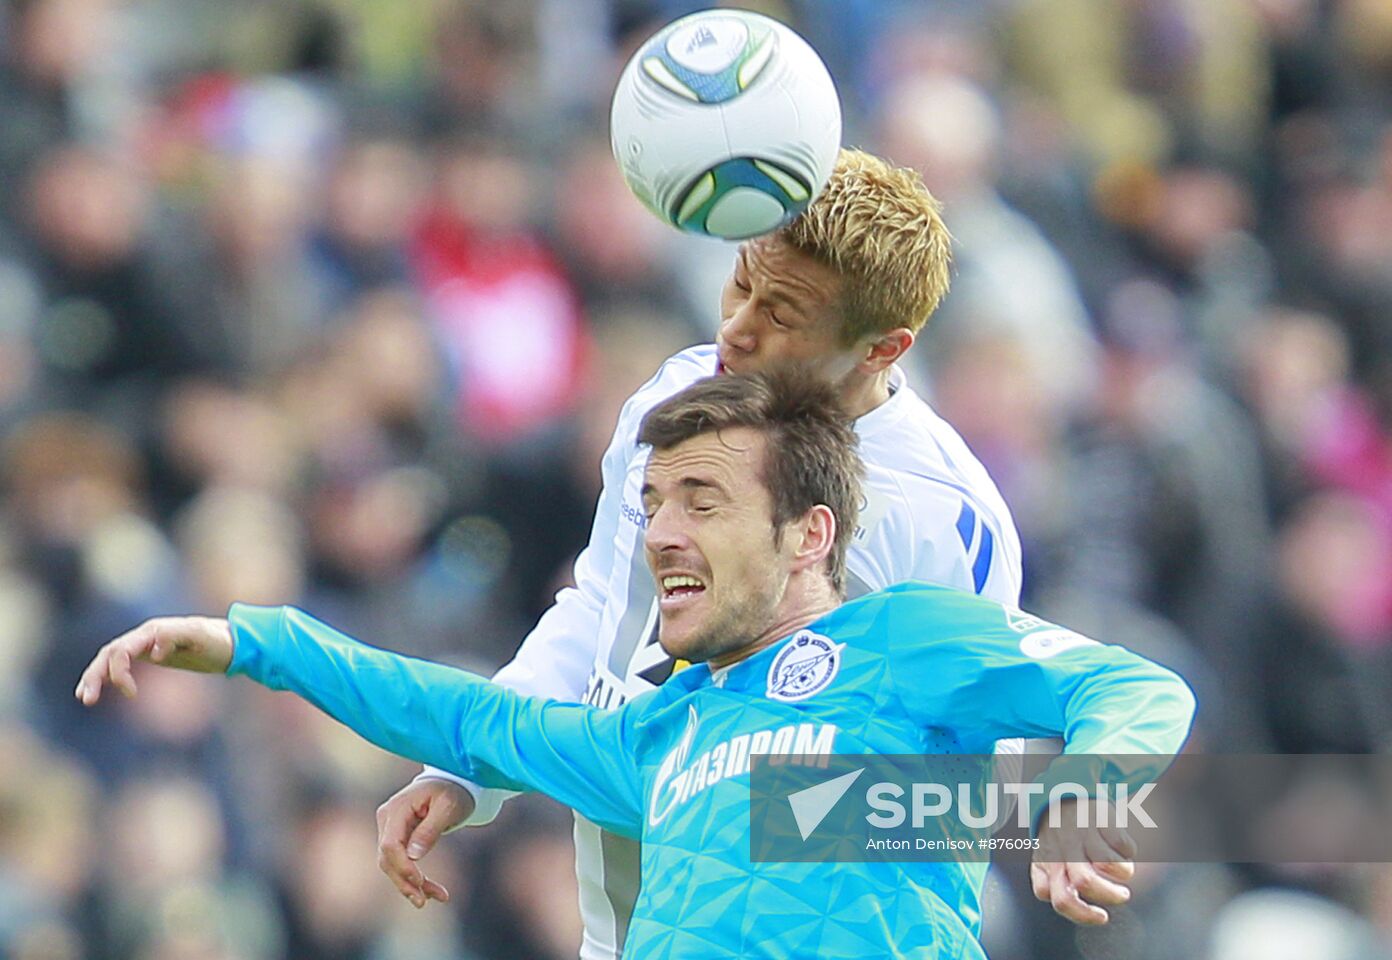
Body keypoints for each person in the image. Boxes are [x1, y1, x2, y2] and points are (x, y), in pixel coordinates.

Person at [76, 369, 1196, 959]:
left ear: (807, 535)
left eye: (699, 501)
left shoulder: (902, 640)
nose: (658, 533)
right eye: (652, 504)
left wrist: (1083, 795)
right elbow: (471, 724)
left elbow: (1134, 688)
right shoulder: (659, 736)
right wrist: (258, 644)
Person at [376, 148, 1030, 959]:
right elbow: (602, 614)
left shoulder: (945, 520)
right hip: (625, 923)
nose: (736, 327)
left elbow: (956, 799)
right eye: (741, 280)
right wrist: (470, 770)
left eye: (782, 313)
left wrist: (738, 796)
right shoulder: (672, 398)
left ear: (882, 349)